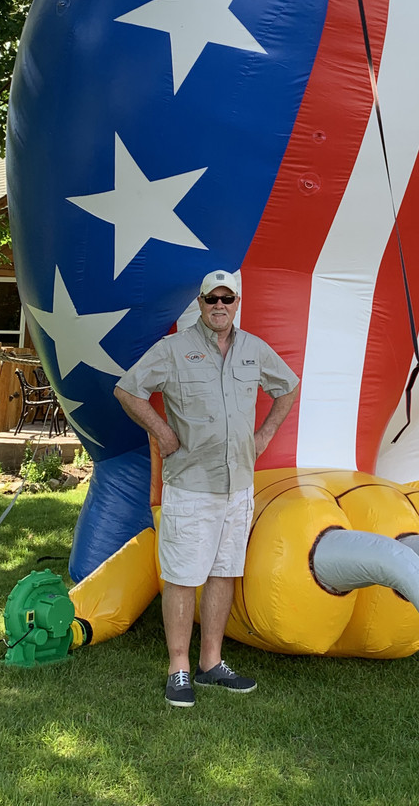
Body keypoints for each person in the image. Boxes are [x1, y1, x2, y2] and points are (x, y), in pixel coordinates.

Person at [114, 270, 299, 708]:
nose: (219, 306)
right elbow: (128, 391)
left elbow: (288, 387)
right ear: (199, 303)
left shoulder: (253, 350)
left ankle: (210, 663)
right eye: (211, 299)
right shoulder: (174, 349)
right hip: (191, 486)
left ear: (237, 303)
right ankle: (178, 669)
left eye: (227, 299)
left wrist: (264, 435)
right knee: (182, 576)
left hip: (238, 486)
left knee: (223, 572)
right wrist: (162, 432)